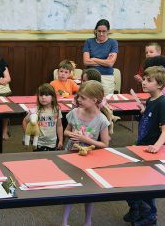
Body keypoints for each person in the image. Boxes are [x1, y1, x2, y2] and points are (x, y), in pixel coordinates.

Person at [124, 66, 165, 226]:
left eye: (148, 80)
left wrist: (157, 146)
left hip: (151, 150)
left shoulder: (162, 103)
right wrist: (143, 110)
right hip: (141, 146)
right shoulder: (150, 99)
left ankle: (150, 216)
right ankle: (135, 208)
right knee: (129, 180)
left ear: (159, 84)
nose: (143, 82)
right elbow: (149, 119)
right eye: (144, 79)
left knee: (147, 185)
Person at [63, 80, 111, 226]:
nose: (78, 100)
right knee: (70, 188)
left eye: (82, 98)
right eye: (78, 97)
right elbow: (66, 131)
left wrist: (84, 139)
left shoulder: (102, 120)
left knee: (90, 191)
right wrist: (72, 135)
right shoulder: (74, 113)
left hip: (91, 159)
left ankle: (88, 220)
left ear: (94, 100)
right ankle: (64, 220)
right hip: (71, 154)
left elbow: (104, 144)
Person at [22, 83, 63, 151]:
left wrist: (61, 140)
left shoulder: (57, 109)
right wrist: (28, 135)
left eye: (46, 95)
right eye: (41, 95)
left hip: (52, 143)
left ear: (53, 98)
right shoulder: (36, 110)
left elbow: (59, 126)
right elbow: (24, 121)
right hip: (38, 143)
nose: (43, 97)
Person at [83, 19, 118, 94]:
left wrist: (94, 59)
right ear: (95, 31)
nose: (101, 34)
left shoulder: (113, 42)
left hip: (106, 76)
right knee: (89, 99)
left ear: (108, 31)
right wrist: (104, 61)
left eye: (104, 31)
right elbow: (86, 62)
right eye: (99, 31)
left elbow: (110, 63)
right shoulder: (89, 41)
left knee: (106, 101)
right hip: (90, 76)